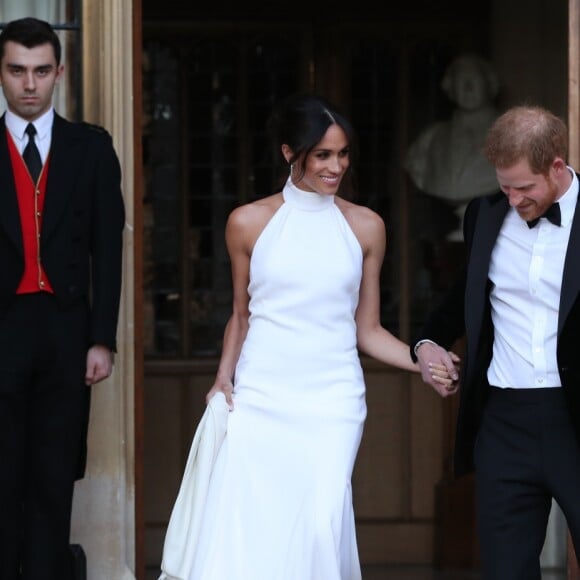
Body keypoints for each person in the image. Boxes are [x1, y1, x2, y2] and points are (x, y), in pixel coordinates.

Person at [159, 93, 455, 580]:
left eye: (342, 154)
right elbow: (241, 314)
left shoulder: (366, 228)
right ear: (289, 152)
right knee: (254, 530)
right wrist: (221, 380)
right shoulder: (247, 223)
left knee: (319, 526)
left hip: (333, 401)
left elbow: (369, 330)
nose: (336, 165)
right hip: (261, 398)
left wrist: (420, 358)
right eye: (323, 154)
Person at [412, 105, 580, 579]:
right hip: (504, 422)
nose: (513, 199)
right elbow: (457, 303)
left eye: (524, 188)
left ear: (557, 166)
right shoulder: (484, 215)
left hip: (575, 417)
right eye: (504, 186)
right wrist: (425, 343)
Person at [0, 17, 125, 580]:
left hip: (66, 332)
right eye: (17, 71)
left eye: (41, 71)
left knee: (54, 475)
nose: (30, 84)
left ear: (60, 73)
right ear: (1, 73)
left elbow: (108, 249)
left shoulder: (91, 148)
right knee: (1, 474)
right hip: (1, 330)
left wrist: (102, 338)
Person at [405, 53, 500, 240]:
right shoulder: (430, 139)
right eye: (461, 81)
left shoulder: (515, 138)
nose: (468, 87)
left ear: (489, 85)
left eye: (475, 80)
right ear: (451, 89)